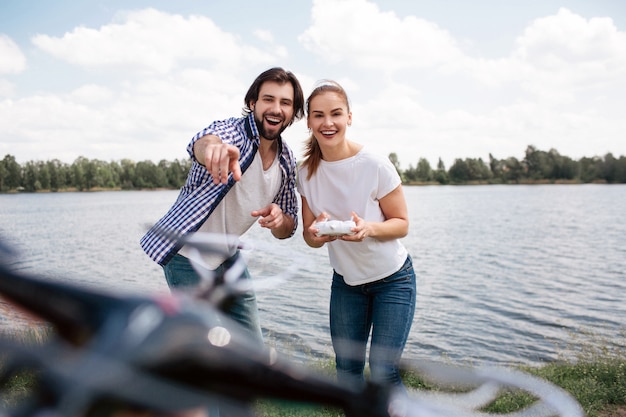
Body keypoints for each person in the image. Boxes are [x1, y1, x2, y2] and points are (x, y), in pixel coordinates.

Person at [140, 67, 305, 344]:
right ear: (253, 103)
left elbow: (288, 227)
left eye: (285, 102)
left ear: (293, 111)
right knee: (197, 346)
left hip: (228, 258)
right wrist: (212, 150)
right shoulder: (234, 134)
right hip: (187, 256)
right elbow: (204, 141)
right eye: (268, 99)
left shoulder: (286, 161)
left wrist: (279, 219)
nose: (276, 109)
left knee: (252, 347)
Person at [296, 80, 416, 391]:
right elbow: (309, 236)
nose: (328, 123)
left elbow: (401, 223)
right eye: (319, 115)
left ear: (349, 117)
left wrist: (368, 228)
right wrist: (318, 234)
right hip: (347, 283)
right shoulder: (305, 172)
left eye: (336, 114)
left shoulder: (374, 164)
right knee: (347, 371)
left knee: (382, 372)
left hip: (392, 280)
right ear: (309, 121)